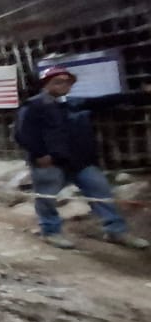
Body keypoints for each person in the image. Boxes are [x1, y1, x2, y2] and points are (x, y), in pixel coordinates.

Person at [14, 65, 151, 250]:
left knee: (101, 194)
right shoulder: (33, 106)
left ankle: (115, 231)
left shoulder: (73, 103)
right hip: (51, 162)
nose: (64, 85)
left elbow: (106, 101)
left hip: (81, 161)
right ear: (46, 84)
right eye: (58, 81)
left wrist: (141, 94)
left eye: (67, 82)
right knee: (46, 198)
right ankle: (50, 231)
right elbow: (22, 133)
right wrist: (40, 155)